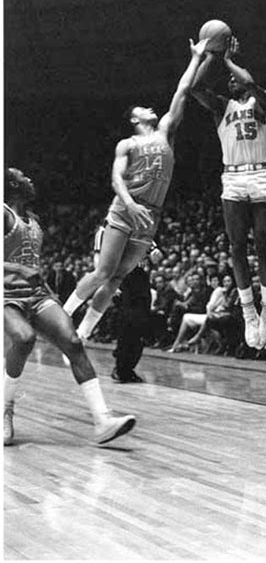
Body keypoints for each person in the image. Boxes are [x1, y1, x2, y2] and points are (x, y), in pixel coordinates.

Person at [62, 37, 209, 340]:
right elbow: (116, 180)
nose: (151, 107)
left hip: (150, 216)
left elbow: (182, 91)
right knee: (103, 272)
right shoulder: (127, 144)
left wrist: (196, 58)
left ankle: (83, 332)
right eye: (143, 108)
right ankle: (61, 318)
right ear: (134, 119)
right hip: (126, 210)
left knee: (116, 280)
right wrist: (129, 203)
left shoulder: (165, 132)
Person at [4, 168, 136, 446]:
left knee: (74, 342)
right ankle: (5, 408)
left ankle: (102, 421)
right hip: (6, 294)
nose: (30, 179)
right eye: (23, 177)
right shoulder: (4, 214)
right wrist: (18, 268)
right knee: (24, 339)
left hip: (38, 294)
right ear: (12, 185)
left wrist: (46, 290)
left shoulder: (34, 220)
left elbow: (33, 266)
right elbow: (20, 265)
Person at [191, 36, 266, 351]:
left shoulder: (260, 101)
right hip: (233, 178)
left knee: (263, 243)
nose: (232, 81)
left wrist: (228, 60)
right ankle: (249, 310)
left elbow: (251, 83)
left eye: (234, 76)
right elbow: (195, 89)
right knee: (237, 247)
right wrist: (210, 57)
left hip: (260, 174)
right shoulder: (221, 108)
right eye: (229, 79)